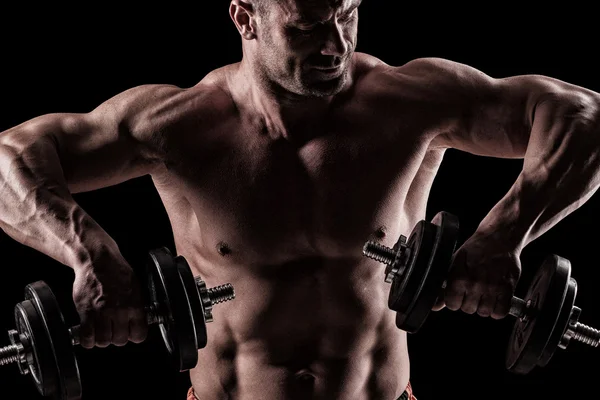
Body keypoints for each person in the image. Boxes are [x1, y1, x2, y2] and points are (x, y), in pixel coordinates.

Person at [1, 0, 599, 399]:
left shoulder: (409, 103)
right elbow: (9, 160)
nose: (334, 45)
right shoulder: (180, 126)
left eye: (347, 16)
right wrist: (91, 257)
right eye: (308, 25)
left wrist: (503, 236)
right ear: (246, 18)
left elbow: (583, 116)